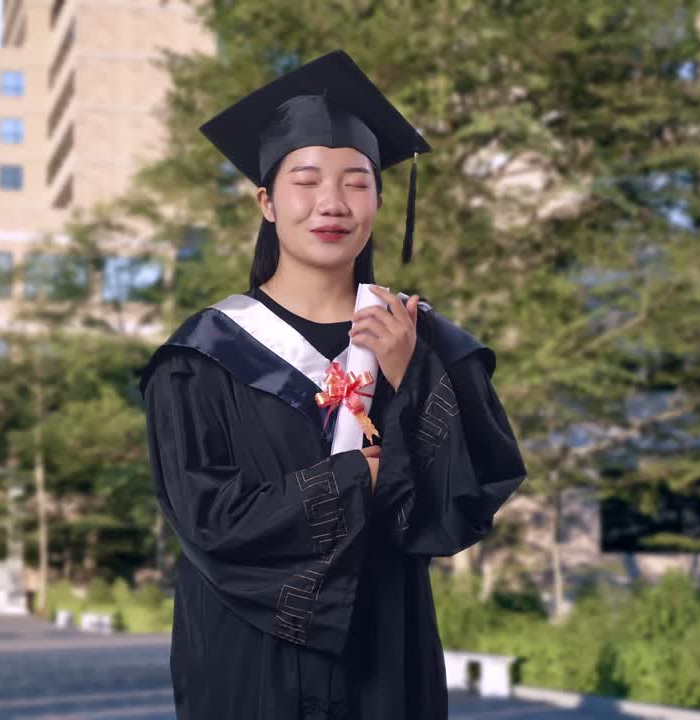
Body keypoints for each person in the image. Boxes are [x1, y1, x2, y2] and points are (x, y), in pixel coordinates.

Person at [139, 50, 526, 720]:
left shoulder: (424, 342)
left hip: (386, 653)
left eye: (355, 182)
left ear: (379, 199)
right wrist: (356, 482)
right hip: (244, 661)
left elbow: (467, 502)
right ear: (265, 200)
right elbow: (206, 522)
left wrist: (409, 377)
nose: (331, 203)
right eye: (306, 180)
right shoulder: (201, 356)